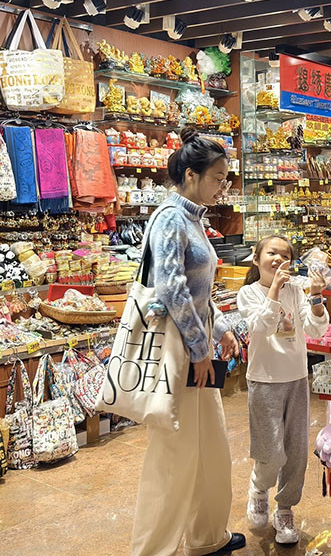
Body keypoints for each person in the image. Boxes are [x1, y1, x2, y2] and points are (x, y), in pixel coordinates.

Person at [130, 128, 245, 556]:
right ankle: (154, 550)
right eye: (218, 178)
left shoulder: (193, 217)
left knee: (209, 447)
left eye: (225, 179)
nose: (222, 186)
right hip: (177, 355)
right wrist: (201, 350)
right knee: (174, 457)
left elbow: (197, 295)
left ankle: (206, 535)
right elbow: (172, 291)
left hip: (195, 347)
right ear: (192, 175)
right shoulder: (170, 219)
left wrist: (220, 330)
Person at [237, 235, 329, 545]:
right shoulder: (248, 293)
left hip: (297, 378)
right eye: (271, 253)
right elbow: (261, 326)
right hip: (264, 380)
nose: (278, 259)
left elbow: (316, 329)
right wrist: (275, 288)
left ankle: (285, 509)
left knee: (296, 453)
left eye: (284, 255)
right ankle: (259, 487)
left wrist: (316, 296)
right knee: (270, 451)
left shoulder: (297, 291)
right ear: (256, 258)